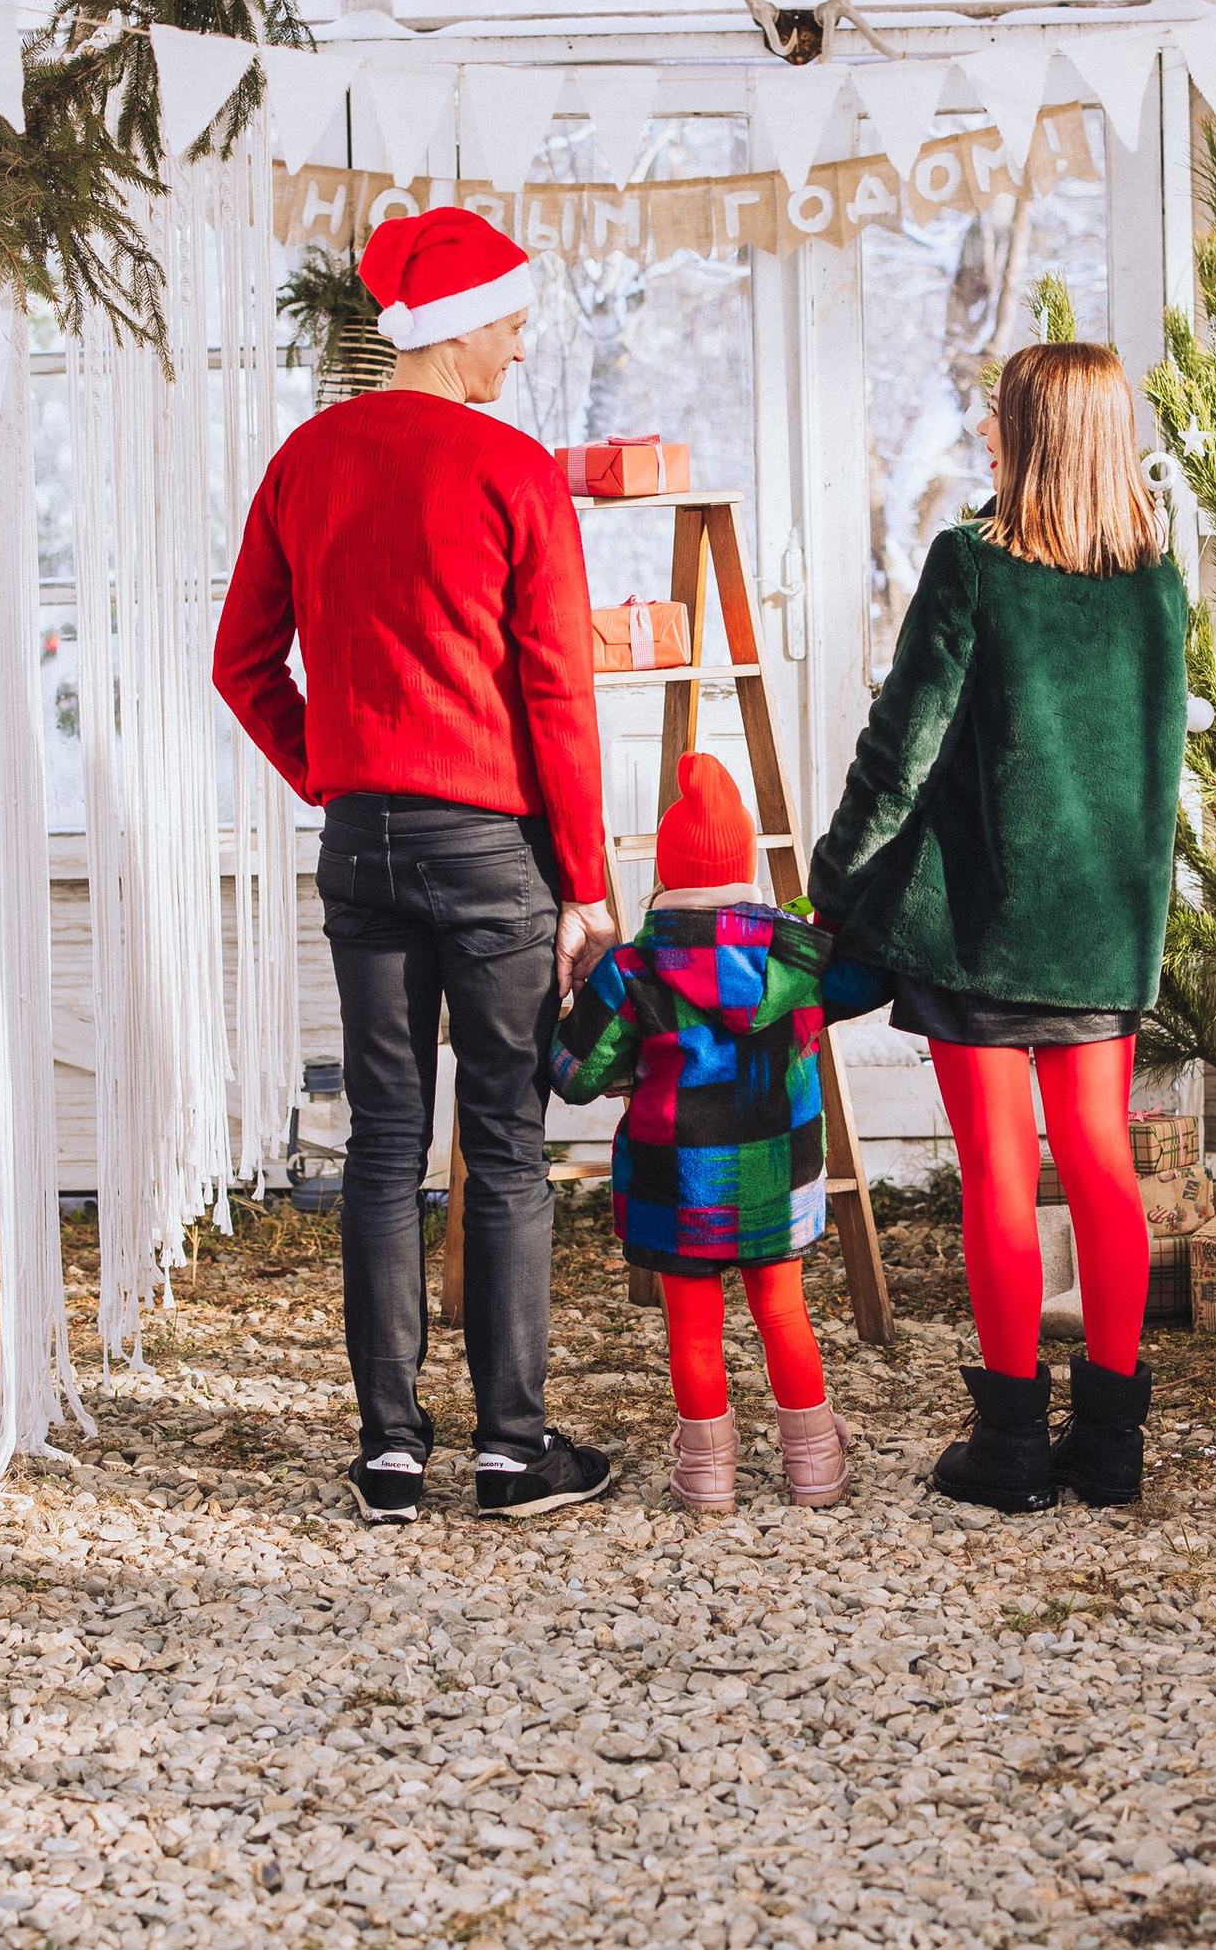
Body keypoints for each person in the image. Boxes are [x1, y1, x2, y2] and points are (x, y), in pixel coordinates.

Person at [214, 202, 618, 1528]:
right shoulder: (513, 471)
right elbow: (556, 688)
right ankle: (512, 1451)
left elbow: (241, 662)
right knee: (500, 1140)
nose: (517, 348)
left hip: (363, 843)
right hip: (493, 847)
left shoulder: (308, 457)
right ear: (453, 326)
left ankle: (389, 1453)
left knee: (386, 1140)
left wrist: (331, 768)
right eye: (507, 323)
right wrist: (588, 881)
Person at [810, 341, 1187, 1515]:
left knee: (995, 1176)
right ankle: (1111, 1447)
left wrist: (837, 874)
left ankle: (1013, 1446)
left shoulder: (972, 565)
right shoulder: (1156, 580)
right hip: (1107, 926)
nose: (982, 437)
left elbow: (900, 743)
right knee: (1101, 1166)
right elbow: (1159, 764)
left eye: (996, 420)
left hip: (985, 922)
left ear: (1028, 436)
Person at [552, 751, 883, 1514]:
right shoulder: (798, 961)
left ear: (666, 876)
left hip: (679, 1185)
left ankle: (707, 1477)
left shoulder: (634, 968)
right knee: (782, 1313)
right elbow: (873, 976)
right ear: (745, 872)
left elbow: (576, 1076)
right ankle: (814, 1468)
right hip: (775, 1177)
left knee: (694, 1331)